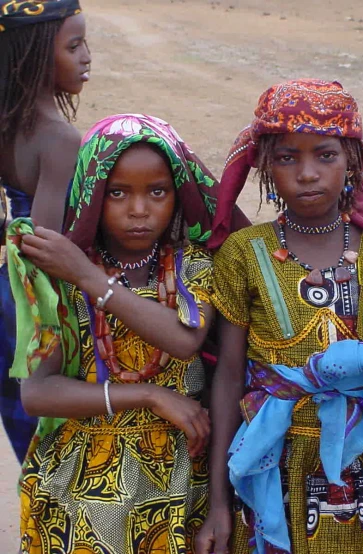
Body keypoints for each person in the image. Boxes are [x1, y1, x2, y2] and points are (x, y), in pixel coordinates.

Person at [196, 79, 363, 554]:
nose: (307, 173)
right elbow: (228, 377)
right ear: (265, 166)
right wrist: (219, 503)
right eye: (288, 157)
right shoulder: (245, 253)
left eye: (325, 155)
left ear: (352, 160)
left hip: (355, 464)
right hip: (268, 459)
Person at [12, 114, 220, 553]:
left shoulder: (194, 267)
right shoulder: (61, 276)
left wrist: (91, 278)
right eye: (117, 192)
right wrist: (149, 395)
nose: (139, 210)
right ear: (91, 196)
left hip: (179, 489)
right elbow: (37, 393)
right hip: (79, 493)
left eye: (157, 192)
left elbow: (184, 339)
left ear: (178, 194)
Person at [0, 0, 92, 464]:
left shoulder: (8, 121)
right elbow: (46, 245)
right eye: (73, 46)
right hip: (37, 308)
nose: (86, 57)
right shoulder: (60, 138)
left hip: (4, 291)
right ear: (34, 57)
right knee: (54, 436)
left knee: (17, 413)